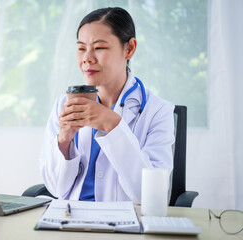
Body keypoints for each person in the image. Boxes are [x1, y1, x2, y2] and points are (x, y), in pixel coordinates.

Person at [40, 7, 174, 203]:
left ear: (129, 49)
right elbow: (56, 188)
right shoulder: (64, 105)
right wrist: (63, 141)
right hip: (71, 220)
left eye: (99, 47)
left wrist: (113, 126)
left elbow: (151, 196)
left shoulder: (158, 111)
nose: (87, 57)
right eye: (81, 48)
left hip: (123, 226)